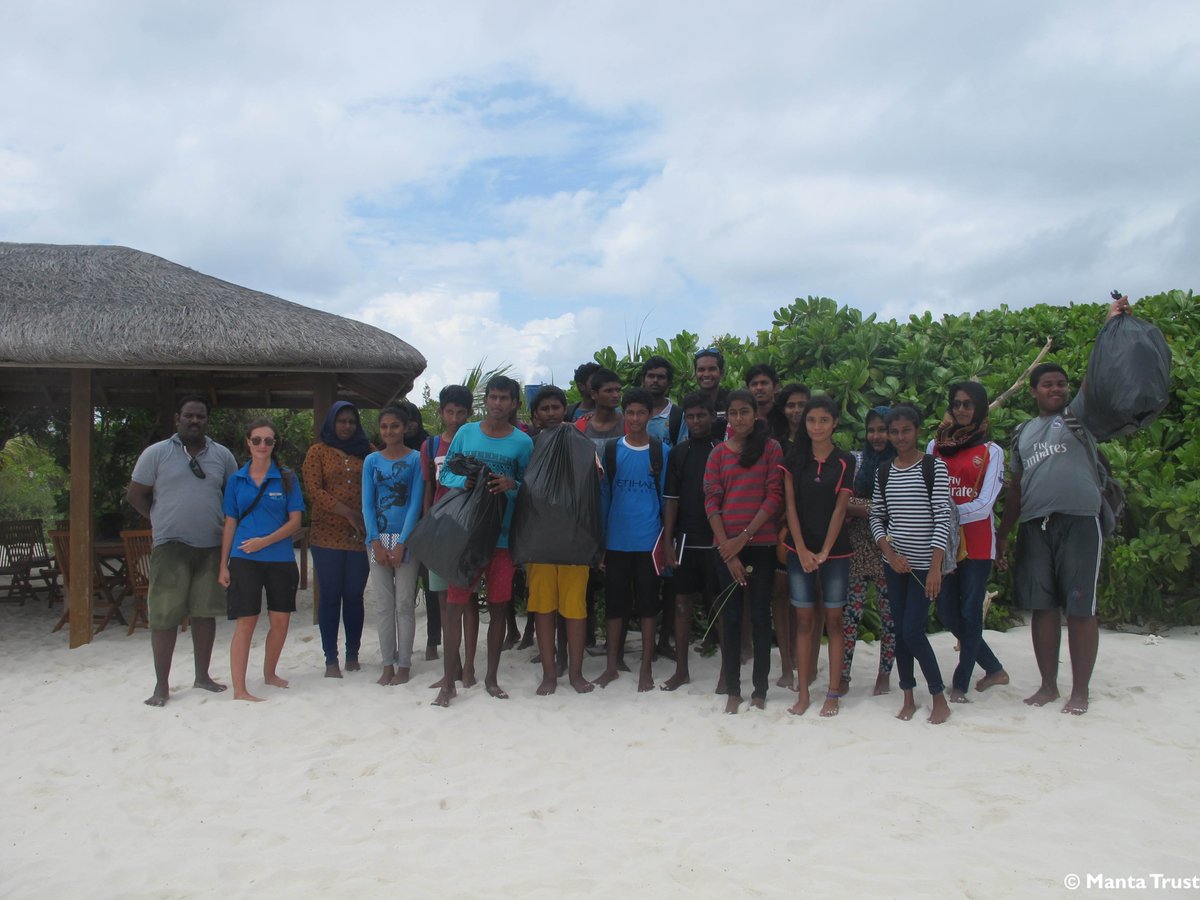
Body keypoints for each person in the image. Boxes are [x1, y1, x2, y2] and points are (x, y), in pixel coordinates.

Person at [995, 293, 1130, 715]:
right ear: (1034, 391)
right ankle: (1048, 686)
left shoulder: (1079, 417)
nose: (1056, 389)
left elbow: (1096, 376)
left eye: (1061, 384)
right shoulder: (1022, 433)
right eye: (1048, 384)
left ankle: (1080, 692)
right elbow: (1016, 489)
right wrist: (1002, 535)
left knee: (1081, 607)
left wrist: (1110, 323)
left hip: (1080, 521)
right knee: (1042, 607)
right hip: (1035, 525)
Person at [127, 396, 238, 707]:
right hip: (170, 546)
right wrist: (158, 518)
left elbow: (233, 497)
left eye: (200, 416)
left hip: (211, 546)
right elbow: (136, 494)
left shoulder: (222, 456)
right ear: (178, 417)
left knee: (205, 612)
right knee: (164, 616)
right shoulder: (157, 453)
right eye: (189, 415)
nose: (194, 421)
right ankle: (161, 686)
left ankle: (202, 676)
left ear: (207, 420)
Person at [434, 375, 533, 706]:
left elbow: (530, 487)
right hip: (466, 536)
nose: (497, 403)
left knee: (499, 606)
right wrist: (463, 481)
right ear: (485, 400)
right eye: (493, 397)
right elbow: (446, 472)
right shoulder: (466, 432)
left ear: (514, 403)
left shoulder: (523, 442)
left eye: (504, 398)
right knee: (454, 606)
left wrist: (511, 485)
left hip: (502, 539)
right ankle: (449, 682)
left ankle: (491, 678)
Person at [869, 405, 952, 724]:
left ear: (917, 431)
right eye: (894, 432)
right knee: (899, 632)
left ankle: (938, 697)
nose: (900, 437)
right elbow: (877, 517)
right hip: (895, 567)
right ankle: (908, 697)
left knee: (913, 631)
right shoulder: (884, 471)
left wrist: (935, 567)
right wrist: (889, 554)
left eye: (906, 430)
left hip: (924, 568)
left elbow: (942, 517)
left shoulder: (934, 467)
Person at [703, 390, 784, 713]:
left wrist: (744, 538)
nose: (738, 418)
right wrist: (728, 548)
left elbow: (774, 495)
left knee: (761, 617)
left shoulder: (771, 449)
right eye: (733, 413)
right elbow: (711, 500)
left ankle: (760, 689)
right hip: (726, 549)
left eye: (744, 412)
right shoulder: (718, 454)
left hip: (761, 544)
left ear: (755, 414)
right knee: (732, 617)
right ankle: (734, 690)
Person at [929, 382, 1009, 703]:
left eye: (968, 404)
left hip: (977, 542)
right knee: (947, 611)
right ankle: (994, 668)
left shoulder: (992, 452)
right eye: (957, 403)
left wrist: (944, 514)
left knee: (970, 610)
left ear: (980, 408)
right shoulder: (934, 447)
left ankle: (961, 683)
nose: (961, 409)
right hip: (942, 544)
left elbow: (984, 504)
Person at [218, 418, 304, 702]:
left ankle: (270, 674)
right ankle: (240, 689)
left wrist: (264, 541)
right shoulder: (236, 480)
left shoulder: (287, 478)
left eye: (268, 440)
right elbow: (230, 522)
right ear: (248, 442)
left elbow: (295, 522)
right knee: (246, 621)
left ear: (274, 444)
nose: (262, 445)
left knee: (280, 621)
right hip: (244, 558)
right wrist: (223, 564)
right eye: (257, 440)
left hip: (280, 557)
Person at [783, 396, 856, 717]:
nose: (817, 426)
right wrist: (801, 549)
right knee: (803, 621)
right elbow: (790, 506)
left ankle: (833, 693)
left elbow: (840, 509)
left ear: (835, 422)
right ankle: (803, 694)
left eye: (824, 420)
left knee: (835, 621)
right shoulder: (794, 458)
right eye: (811, 420)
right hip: (798, 550)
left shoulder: (845, 461)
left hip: (835, 553)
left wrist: (825, 551)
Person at [524, 385, 596, 695]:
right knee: (543, 609)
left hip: (574, 541)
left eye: (556, 407)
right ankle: (549, 674)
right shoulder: (530, 446)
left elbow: (592, 491)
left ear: (565, 409)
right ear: (535, 415)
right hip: (539, 541)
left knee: (575, 609)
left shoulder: (582, 443)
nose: (551, 413)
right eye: (545, 408)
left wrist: (594, 542)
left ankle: (576, 673)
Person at [594, 388, 667, 691]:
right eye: (631, 413)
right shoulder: (612, 450)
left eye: (641, 413)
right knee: (615, 605)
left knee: (648, 606)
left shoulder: (661, 451)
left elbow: (666, 500)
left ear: (650, 415)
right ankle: (611, 665)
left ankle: (646, 668)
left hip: (649, 541)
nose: (636, 419)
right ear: (624, 414)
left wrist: (666, 542)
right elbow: (604, 497)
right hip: (617, 540)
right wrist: (601, 542)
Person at [302, 401, 372, 679]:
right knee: (330, 596)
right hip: (326, 534)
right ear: (332, 422)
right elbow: (314, 490)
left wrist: (363, 517)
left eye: (352, 422)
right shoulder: (317, 452)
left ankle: (353, 655)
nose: (347, 426)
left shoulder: (368, 452)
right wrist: (347, 512)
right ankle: (331, 659)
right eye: (341, 421)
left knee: (354, 596)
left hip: (359, 535)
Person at [661, 392, 722, 691]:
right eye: (691, 416)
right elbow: (671, 500)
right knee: (682, 604)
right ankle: (681, 670)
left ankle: (727, 673)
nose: (696, 421)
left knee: (720, 605)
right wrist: (668, 540)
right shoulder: (679, 452)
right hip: (685, 539)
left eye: (701, 415)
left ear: (712, 417)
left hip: (717, 540)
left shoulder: (722, 451)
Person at [363, 405, 425, 686]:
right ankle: (387, 663)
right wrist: (375, 541)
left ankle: (405, 664)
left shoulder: (415, 459)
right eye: (384, 426)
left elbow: (415, 503)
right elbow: (367, 504)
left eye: (395, 426)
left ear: (405, 428)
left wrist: (402, 543)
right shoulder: (371, 461)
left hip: (406, 539)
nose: (389, 431)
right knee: (383, 605)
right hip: (377, 539)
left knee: (404, 604)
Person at [844, 407, 897, 696]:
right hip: (858, 544)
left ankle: (884, 675)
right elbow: (843, 503)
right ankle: (843, 675)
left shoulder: (901, 463)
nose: (876, 436)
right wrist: (879, 509)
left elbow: (903, 506)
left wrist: (863, 507)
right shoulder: (857, 460)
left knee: (890, 616)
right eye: (872, 430)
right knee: (850, 614)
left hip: (891, 546)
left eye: (883, 430)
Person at [420, 385, 475, 668]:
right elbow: (428, 488)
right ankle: (453, 665)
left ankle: (469, 666)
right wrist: (427, 527)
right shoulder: (430, 446)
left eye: (460, 413)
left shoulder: (474, 442)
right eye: (450, 412)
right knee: (443, 599)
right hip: (440, 529)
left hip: (467, 528)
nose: (454, 418)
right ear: (441, 412)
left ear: (469, 414)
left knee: (467, 600)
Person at [767, 383, 810, 689]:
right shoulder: (774, 444)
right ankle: (785, 664)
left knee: (806, 599)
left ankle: (801, 658)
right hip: (779, 527)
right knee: (781, 597)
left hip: (812, 529)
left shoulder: (820, 441)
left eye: (802, 404)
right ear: (782, 409)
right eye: (791, 405)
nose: (796, 410)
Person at [575, 367, 624, 449]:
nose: (616, 395)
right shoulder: (580, 427)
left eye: (618, 390)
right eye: (608, 391)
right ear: (594, 394)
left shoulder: (629, 424)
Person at [641, 355, 684, 447]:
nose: (655, 380)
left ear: (669, 382)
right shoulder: (632, 413)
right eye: (651, 376)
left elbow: (682, 450)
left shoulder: (679, 415)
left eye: (661, 377)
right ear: (643, 380)